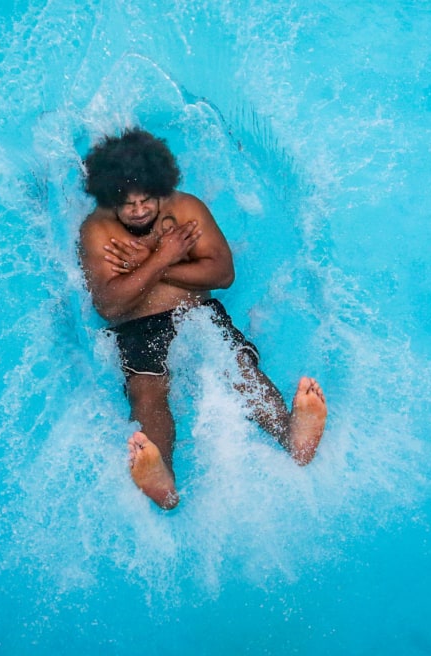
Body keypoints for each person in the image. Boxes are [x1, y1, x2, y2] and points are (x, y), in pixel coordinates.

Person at [78, 128, 327, 510]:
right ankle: (163, 478)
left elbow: (222, 274)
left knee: (238, 368)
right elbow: (109, 306)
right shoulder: (96, 230)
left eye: (148, 200)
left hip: (196, 311)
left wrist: (147, 268)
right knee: (147, 391)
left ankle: (291, 433)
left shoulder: (187, 209)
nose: (141, 210)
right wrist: (163, 257)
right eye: (129, 204)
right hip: (137, 325)